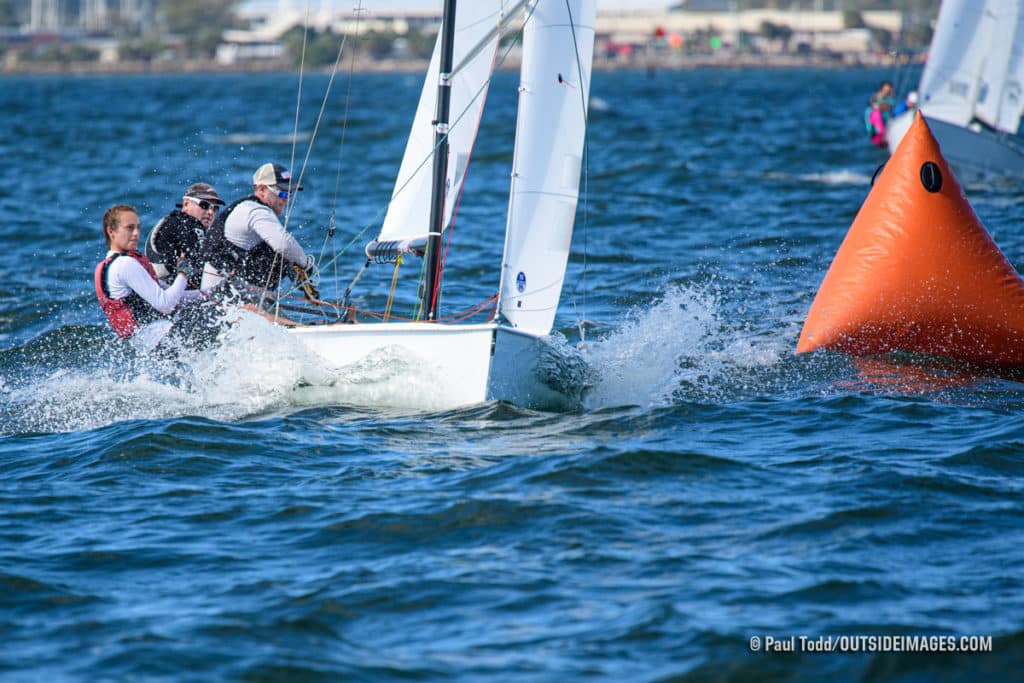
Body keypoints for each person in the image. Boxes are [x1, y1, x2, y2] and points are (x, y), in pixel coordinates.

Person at [95, 204, 217, 354]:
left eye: (138, 228)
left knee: (214, 309)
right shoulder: (125, 265)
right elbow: (165, 304)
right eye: (129, 228)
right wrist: (184, 273)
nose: (136, 234)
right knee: (224, 317)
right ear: (111, 231)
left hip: (154, 344)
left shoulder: (118, 263)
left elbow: (175, 296)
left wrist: (213, 293)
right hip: (162, 340)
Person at [198, 162, 315, 299]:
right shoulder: (255, 210)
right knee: (283, 253)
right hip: (218, 297)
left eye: (289, 194)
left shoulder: (249, 207)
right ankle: (271, 313)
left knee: (284, 257)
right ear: (261, 189)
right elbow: (284, 244)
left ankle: (272, 307)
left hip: (228, 291)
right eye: (282, 193)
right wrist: (306, 265)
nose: (286, 200)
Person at [145, 182, 224, 287]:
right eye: (204, 205)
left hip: (158, 290)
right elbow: (204, 261)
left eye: (215, 208)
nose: (211, 212)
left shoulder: (173, 221)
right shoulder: (187, 224)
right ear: (186, 204)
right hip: (170, 294)